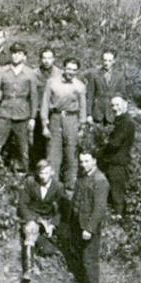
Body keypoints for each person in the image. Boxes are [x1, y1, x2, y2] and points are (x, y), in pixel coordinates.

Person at [41, 57, 88, 192]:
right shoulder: (52, 82)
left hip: (72, 120)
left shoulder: (80, 86)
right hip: (55, 118)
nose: (71, 72)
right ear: (64, 68)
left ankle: (70, 188)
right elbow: (45, 104)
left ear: (77, 71)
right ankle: (52, 188)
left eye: (74, 70)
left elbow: (83, 108)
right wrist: (44, 124)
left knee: (71, 155)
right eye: (68, 69)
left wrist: (82, 127)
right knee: (53, 154)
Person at [70, 149, 109, 283]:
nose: (83, 164)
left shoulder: (100, 180)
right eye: (81, 161)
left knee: (89, 259)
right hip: (77, 223)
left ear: (94, 161)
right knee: (80, 255)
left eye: (87, 161)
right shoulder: (82, 176)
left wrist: (89, 228)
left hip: (88, 226)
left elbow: (99, 209)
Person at [0, 43, 39, 173]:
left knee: (23, 146)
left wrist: (32, 118)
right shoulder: (2, 71)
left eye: (19, 53)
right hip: (5, 112)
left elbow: (34, 97)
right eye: (13, 53)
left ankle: (24, 172)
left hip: (22, 114)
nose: (15, 56)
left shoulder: (30, 73)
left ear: (24, 56)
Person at [17, 160, 63, 283]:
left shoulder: (58, 186)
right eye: (41, 173)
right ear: (37, 173)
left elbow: (61, 209)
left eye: (46, 173)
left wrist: (53, 224)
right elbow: (22, 205)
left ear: (52, 173)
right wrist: (33, 219)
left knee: (49, 250)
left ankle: (40, 245)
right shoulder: (30, 182)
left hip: (48, 219)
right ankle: (28, 270)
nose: (43, 176)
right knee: (31, 231)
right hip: (33, 217)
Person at [96, 96, 135, 216]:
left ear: (125, 105)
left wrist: (100, 151)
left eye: (118, 105)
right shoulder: (121, 121)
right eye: (113, 105)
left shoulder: (126, 122)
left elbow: (115, 143)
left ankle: (118, 222)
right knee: (113, 194)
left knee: (117, 195)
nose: (114, 108)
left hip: (118, 164)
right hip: (114, 162)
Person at [31, 46, 62, 165]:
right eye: (44, 58)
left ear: (54, 59)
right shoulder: (34, 73)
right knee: (38, 140)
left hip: (53, 112)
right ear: (40, 59)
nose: (46, 60)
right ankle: (38, 167)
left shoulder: (59, 73)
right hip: (39, 111)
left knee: (53, 141)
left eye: (49, 58)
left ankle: (51, 166)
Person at [86, 49, 128, 126]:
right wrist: (88, 114)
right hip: (98, 113)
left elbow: (122, 94)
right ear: (102, 60)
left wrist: (122, 111)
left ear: (114, 61)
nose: (106, 63)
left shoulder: (119, 75)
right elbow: (90, 95)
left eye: (109, 61)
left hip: (113, 114)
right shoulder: (94, 74)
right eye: (105, 60)